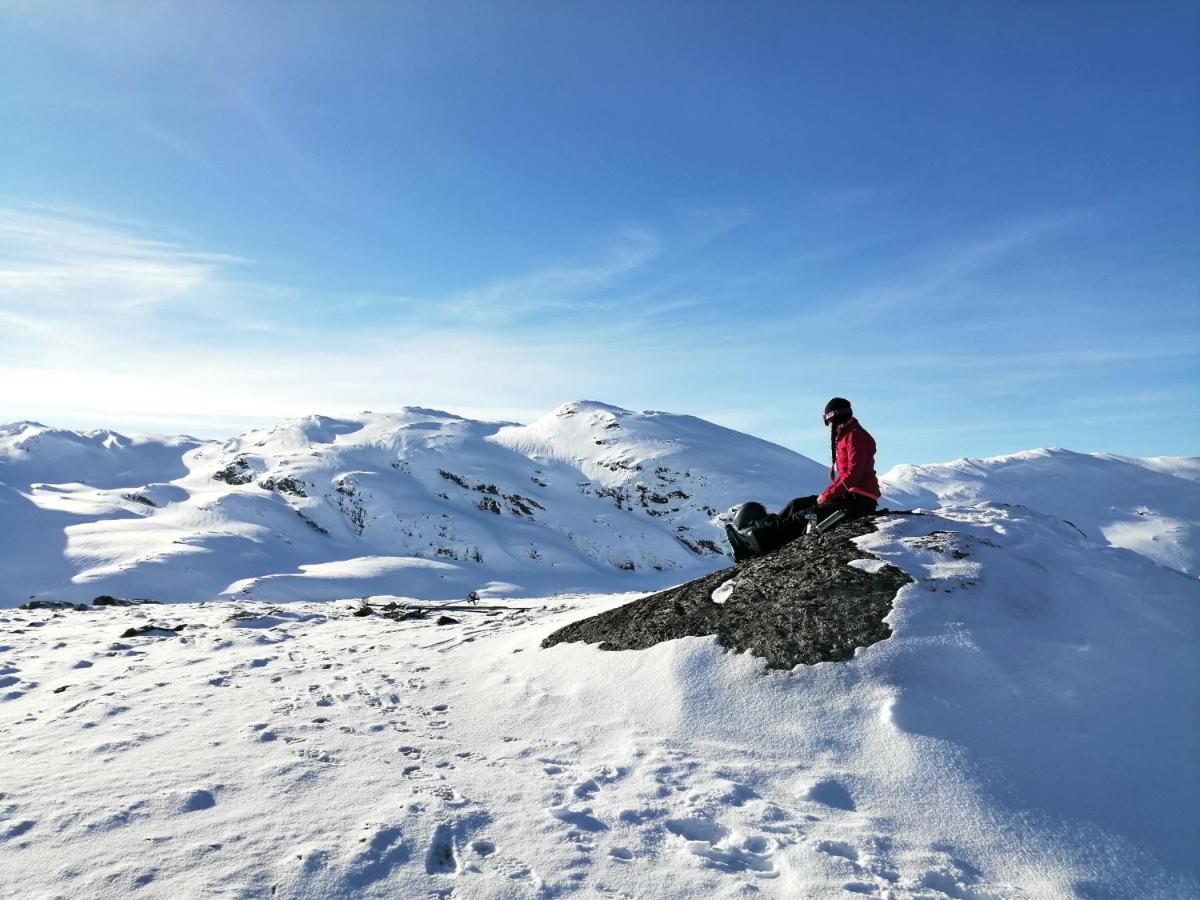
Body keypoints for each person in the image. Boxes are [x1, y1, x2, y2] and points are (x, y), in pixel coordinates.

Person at [725, 397, 881, 562]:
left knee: (805, 516)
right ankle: (762, 531)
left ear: (834, 418)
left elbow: (853, 474)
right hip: (849, 496)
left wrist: (827, 495)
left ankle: (752, 544)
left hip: (858, 501)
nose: (828, 427)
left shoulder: (855, 436)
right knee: (797, 504)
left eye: (828, 422)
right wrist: (828, 494)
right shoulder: (848, 434)